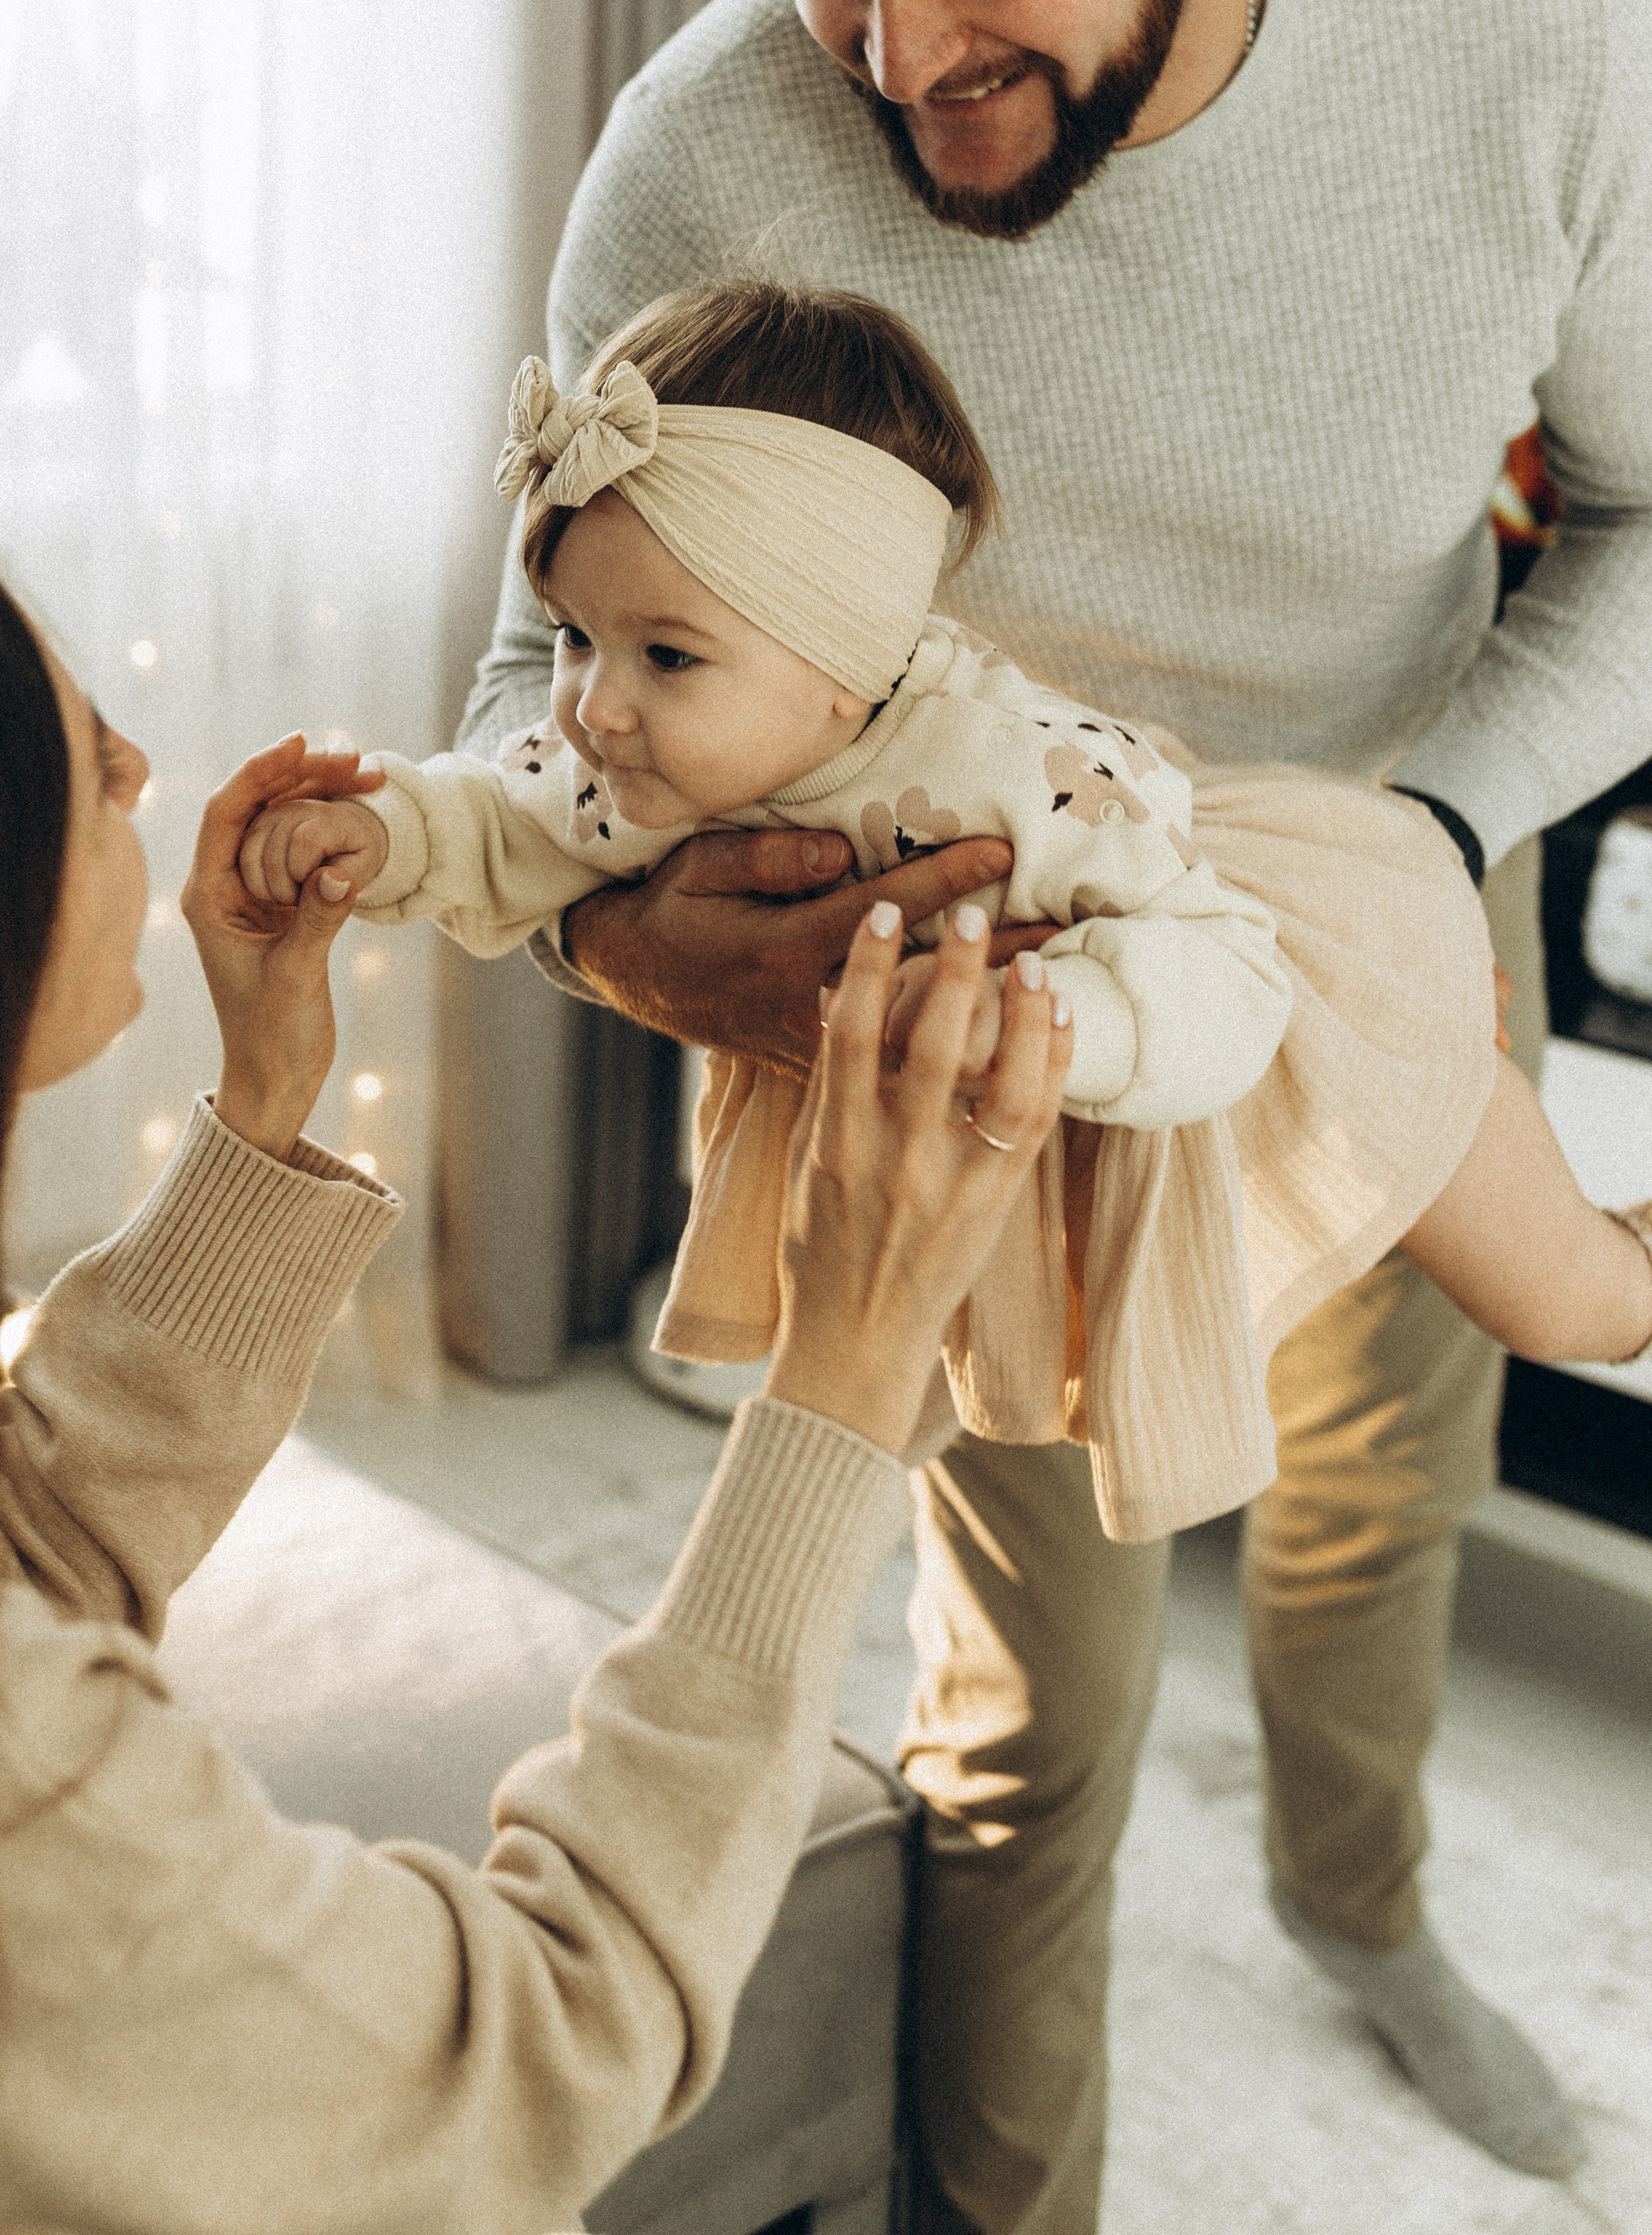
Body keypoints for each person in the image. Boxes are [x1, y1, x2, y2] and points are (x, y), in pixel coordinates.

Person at [459, 0, 1652, 2225]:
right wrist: (642, 947)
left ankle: (1362, 1903)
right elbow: (527, 691)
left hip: (1394, 895)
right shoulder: (705, 154)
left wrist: (1414, 840)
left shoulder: (1549, 29)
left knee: (1379, 1504)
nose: (895, 58)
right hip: (978, 1007)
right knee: (1035, 1710)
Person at [0, 504, 1074, 2235]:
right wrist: (838, 1380)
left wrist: (262, 1103)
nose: (137, 769)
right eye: (82, 752)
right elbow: (534, 2049)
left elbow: (13, 1556)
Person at [240, 279, 1652, 1542]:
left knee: (1560, 1301)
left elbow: (1230, 975)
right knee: (951, 1426)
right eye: (573, 635)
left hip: (1268, 989)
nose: (593, 706)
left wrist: (1044, 1016)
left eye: (665, 655)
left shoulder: (1019, 777)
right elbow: (504, 817)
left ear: (845, 661)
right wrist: (381, 831)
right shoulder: (634, 750)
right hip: (1000, 1126)